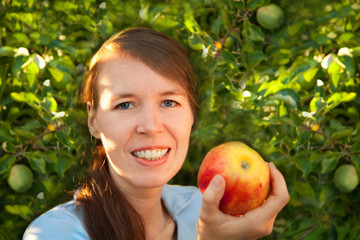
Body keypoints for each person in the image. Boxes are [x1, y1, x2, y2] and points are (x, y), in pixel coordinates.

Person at [23, 27, 289, 240]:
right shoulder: (54, 233)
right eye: (124, 104)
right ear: (93, 121)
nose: (150, 126)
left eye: (169, 102)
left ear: (192, 114)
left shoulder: (205, 207)